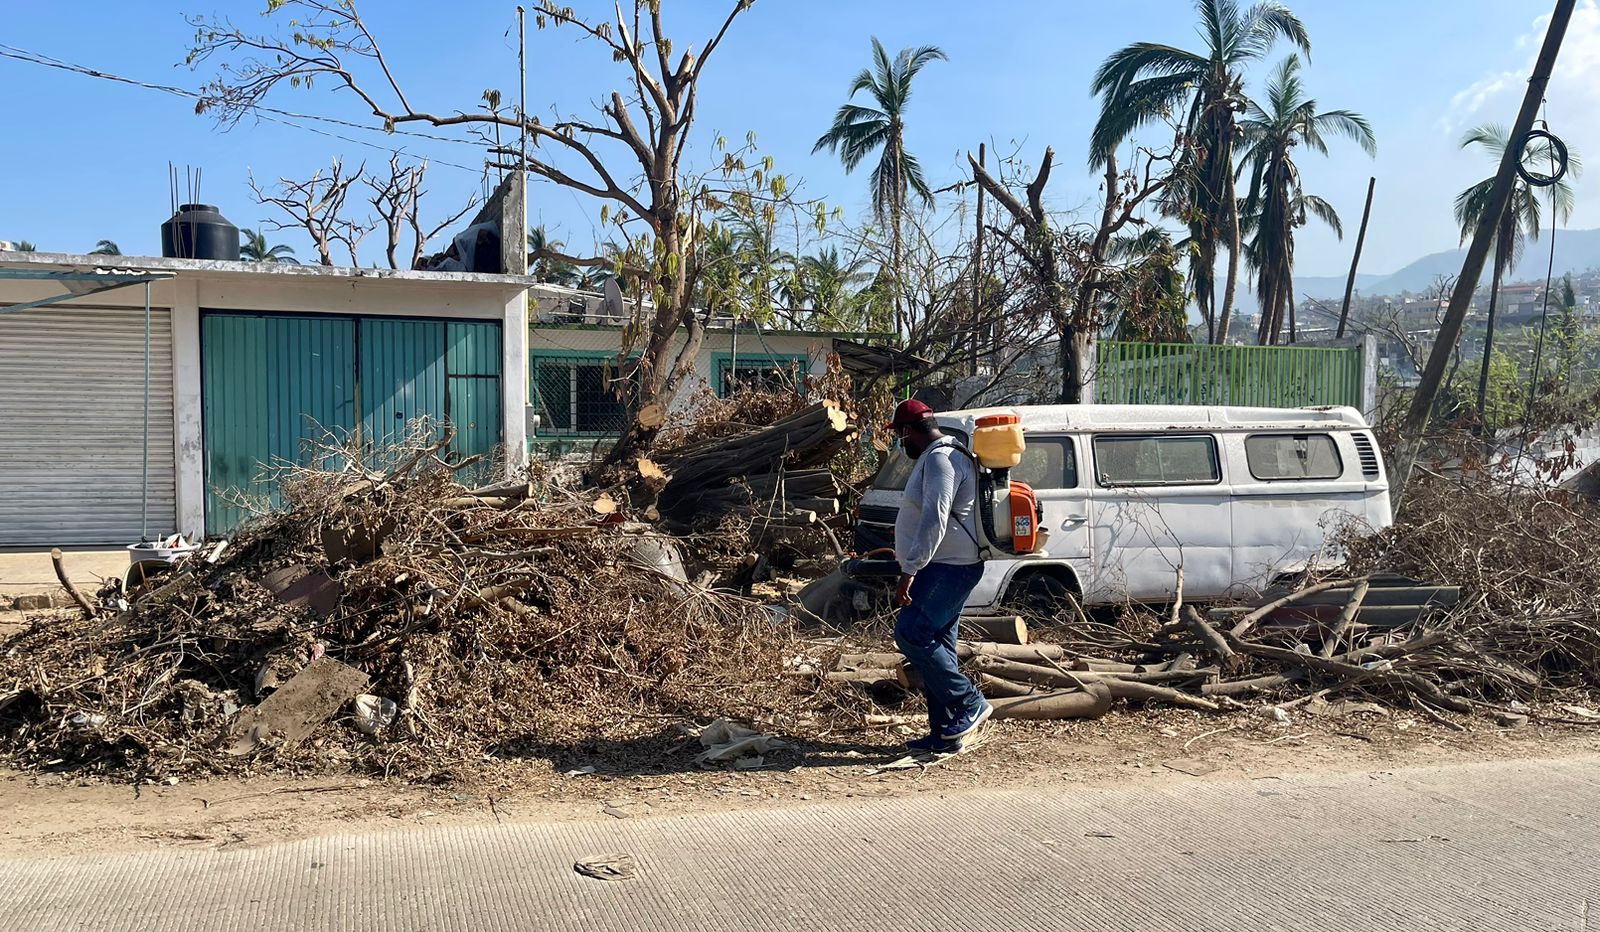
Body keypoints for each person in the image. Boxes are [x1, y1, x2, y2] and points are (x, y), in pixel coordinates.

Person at [887, 399, 993, 753]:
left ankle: (970, 702)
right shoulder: (948, 454)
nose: (901, 445)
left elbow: (935, 517)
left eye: (900, 436)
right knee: (939, 648)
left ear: (908, 431)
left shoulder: (939, 459)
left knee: (911, 634)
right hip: (946, 565)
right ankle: (945, 733)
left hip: (948, 567)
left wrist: (909, 569)